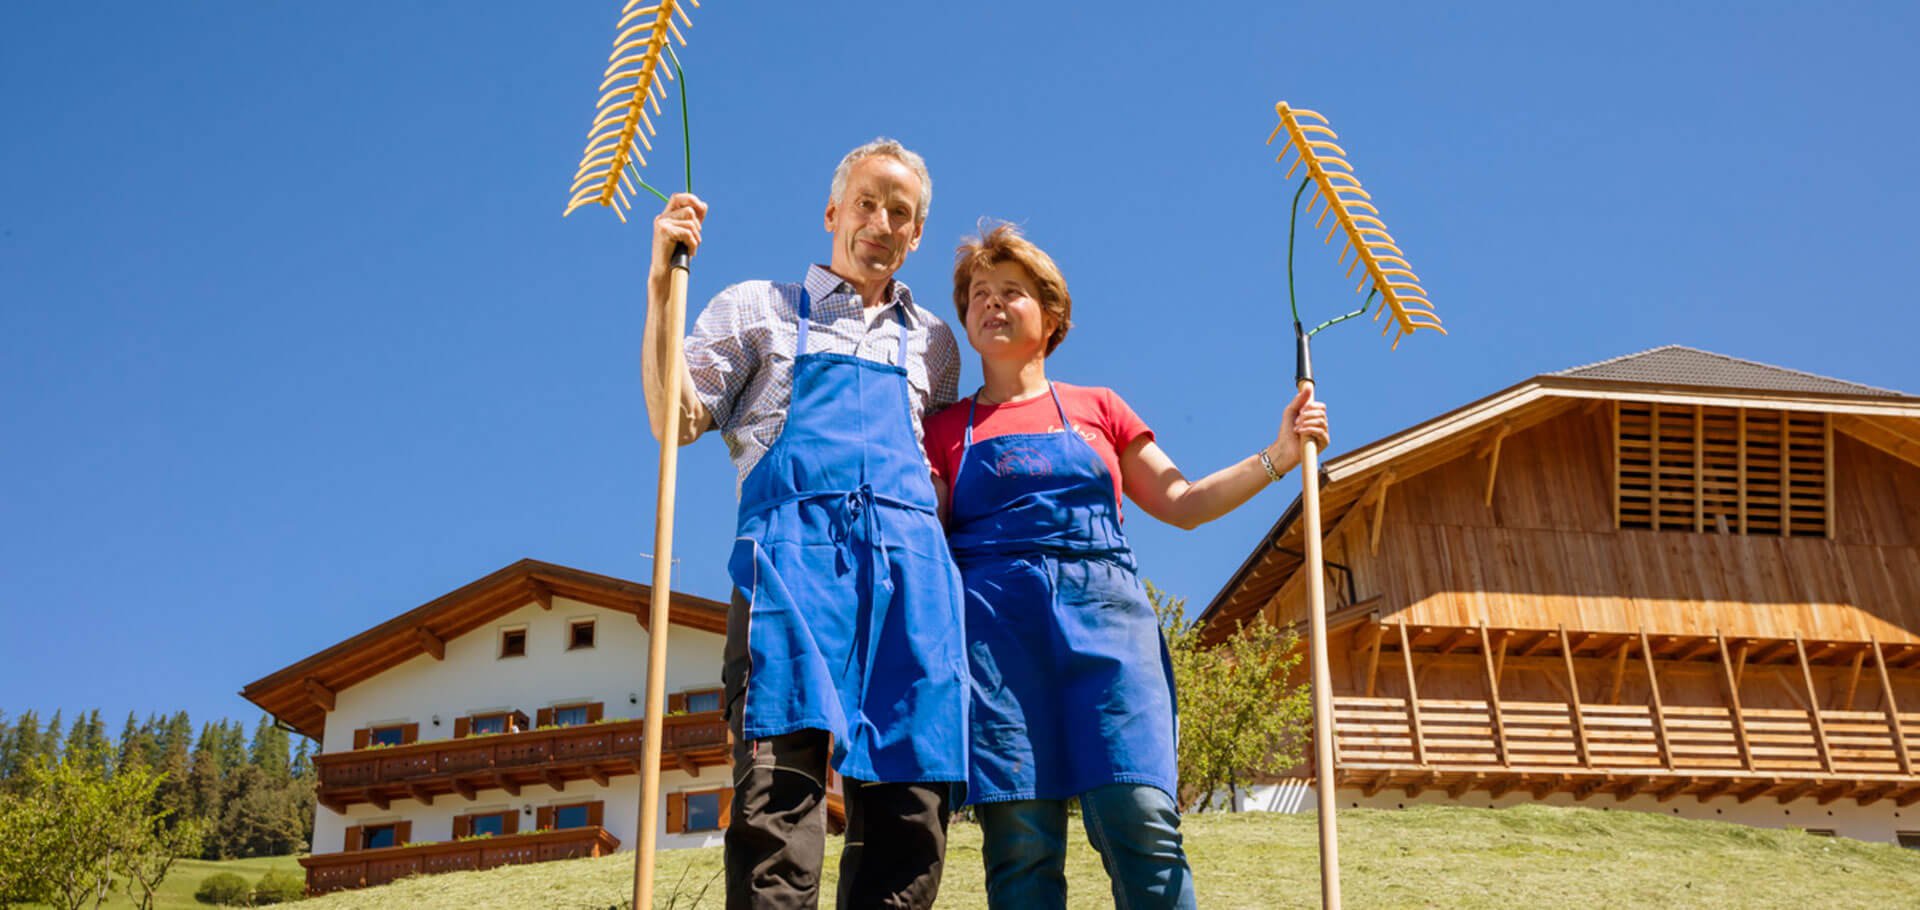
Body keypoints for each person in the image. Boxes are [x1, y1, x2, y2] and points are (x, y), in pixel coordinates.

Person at [921, 222, 1331, 909]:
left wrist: (1279, 456)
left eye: (1011, 291)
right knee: (1020, 845)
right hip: (995, 637)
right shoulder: (941, 427)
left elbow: (1184, 501)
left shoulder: (1098, 408)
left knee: (1140, 817)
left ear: (1051, 317)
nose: (990, 304)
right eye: (978, 294)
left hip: (1107, 623)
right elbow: (920, 524)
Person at [642, 138, 968, 909]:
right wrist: (663, 282)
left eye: (901, 212)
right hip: (789, 582)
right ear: (832, 212)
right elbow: (675, 416)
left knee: (909, 824)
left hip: (909, 595)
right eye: (867, 202)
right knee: (778, 812)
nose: (881, 222)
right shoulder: (755, 307)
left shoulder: (936, 345)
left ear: (915, 234)